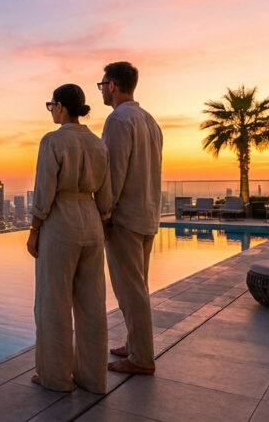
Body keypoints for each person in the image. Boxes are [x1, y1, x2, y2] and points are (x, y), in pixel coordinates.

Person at [27, 83, 112, 394]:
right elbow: (106, 195)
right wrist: (102, 219)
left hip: (60, 224)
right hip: (91, 223)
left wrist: (35, 229)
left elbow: (44, 191)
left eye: (52, 106)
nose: (52, 111)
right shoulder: (98, 143)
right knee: (92, 305)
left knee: (54, 302)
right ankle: (93, 377)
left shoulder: (52, 141)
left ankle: (56, 377)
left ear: (60, 106)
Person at [98, 61, 163, 376]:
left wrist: (105, 214)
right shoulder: (149, 120)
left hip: (126, 219)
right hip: (148, 214)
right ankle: (133, 343)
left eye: (102, 84)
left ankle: (141, 358)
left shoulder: (117, 120)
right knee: (138, 286)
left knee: (130, 290)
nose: (101, 90)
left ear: (111, 85)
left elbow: (113, 174)